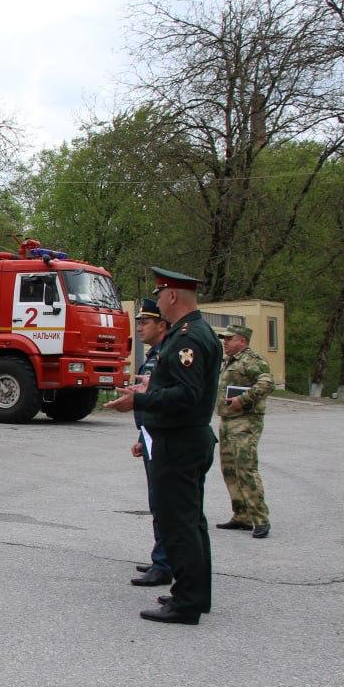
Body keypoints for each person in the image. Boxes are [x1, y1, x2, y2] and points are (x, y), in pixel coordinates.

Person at [105, 267, 222, 625]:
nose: (157, 302)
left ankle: (186, 602)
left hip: (180, 440)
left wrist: (141, 400)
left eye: (160, 294)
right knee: (191, 522)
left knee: (180, 524)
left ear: (172, 296)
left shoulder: (188, 338)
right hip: (186, 438)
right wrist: (149, 387)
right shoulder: (194, 333)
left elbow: (187, 395)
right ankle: (193, 594)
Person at [215, 324, 275, 539]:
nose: (225, 342)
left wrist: (243, 399)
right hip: (228, 420)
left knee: (246, 468)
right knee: (229, 469)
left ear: (242, 340)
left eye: (229, 339)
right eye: (224, 339)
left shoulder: (252, 360)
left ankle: (260, 519)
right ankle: (241, 515)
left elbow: (267, 382)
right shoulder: (230, 361)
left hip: (246, 421)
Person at [130, 298, 172, 586]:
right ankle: (161, 557)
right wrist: (141, 436)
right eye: (139, 322)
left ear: (162, 325)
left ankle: (166, 563)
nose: (140, 327)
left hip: (163, 437)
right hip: (150, 434)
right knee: (157, 500)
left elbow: (164, 399)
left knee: (164, 500)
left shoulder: (167, 355)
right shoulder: (154, 354)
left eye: (145, 322)